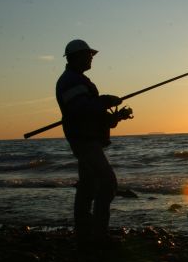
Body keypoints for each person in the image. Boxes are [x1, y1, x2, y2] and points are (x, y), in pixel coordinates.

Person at [56, 39, 132, 247]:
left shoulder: (77, 80)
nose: (91, 58)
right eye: (89, 55)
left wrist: (117, 117)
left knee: (88, 187)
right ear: (77, 56)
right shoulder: (70, 81)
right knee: (108, 183)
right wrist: (105, 100)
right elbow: (81, 109)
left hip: (88, 140)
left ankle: (84, 235)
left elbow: (91, 114)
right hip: (84, 141)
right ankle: (98, 235)